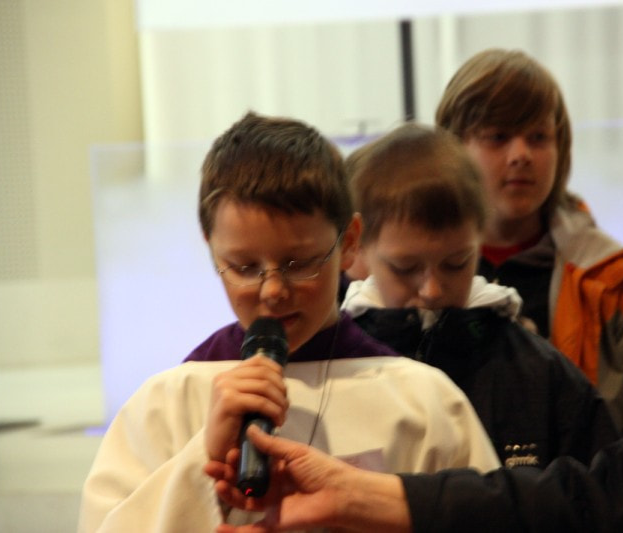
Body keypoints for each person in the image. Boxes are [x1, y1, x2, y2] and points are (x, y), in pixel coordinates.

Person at [206, 59, 623, 532]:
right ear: (357, 251)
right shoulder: (221, 372)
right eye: (245, 266)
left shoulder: (585, 311)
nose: (431, 288)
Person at [78, 112, 501, 532]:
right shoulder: (168, 402)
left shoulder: (423, 402)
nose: (273, 290)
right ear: (211, 249)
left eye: (299, 263)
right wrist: (201, 456)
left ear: (349, 242)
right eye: (244, 266)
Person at [435, 48, 623, 434]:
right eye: (498, 137)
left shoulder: (616, 282)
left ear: (561, 148)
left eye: (538, 137)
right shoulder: (415, 277)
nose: (521, 155)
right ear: (453, 149)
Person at [340, 123, 618, 467]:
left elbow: (599, 489)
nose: (432, 290)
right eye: (405, 268)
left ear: (480, 238)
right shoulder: (335, 370)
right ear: (357, 247)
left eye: (456, 264)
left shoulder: (540, 374)